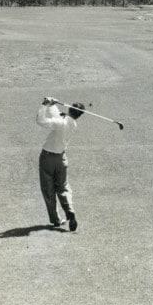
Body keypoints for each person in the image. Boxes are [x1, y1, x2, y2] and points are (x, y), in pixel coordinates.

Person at [36, 97, 85, 231]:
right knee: (63, 187)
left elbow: (40, 121)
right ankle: (70, 211)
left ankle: (56, 220)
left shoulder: (60, 122)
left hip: (47, 158)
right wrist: (52, 105)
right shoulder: (73, 124)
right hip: (61, 159)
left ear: (69, 109)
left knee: (48, 189)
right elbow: (58, 117)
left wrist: (44, 105)